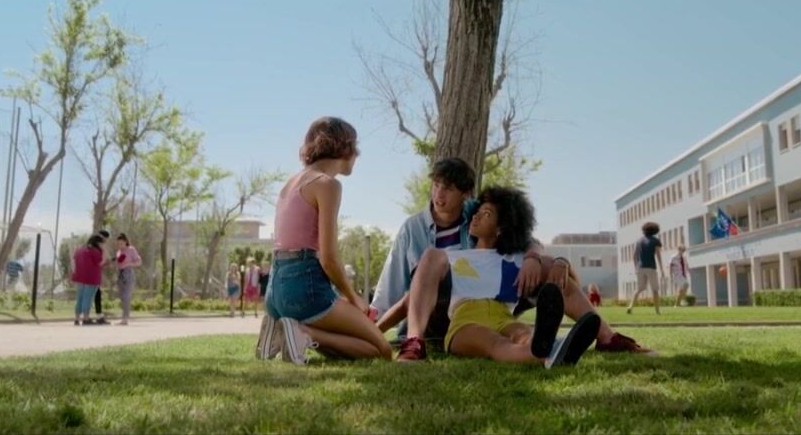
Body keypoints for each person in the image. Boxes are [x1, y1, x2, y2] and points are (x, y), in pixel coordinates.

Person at [373, 157, 652, 360]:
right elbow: (401, 290)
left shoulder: (477, 215)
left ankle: (599, 338)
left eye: (448, 188)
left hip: (498, 307)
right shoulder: (416, 231)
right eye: (436, 185)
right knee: (432, 261)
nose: (438, 194)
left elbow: (526, 240)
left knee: (535, 302)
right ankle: (414, 344)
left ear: (466, 195)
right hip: (448, 312)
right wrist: (373, 330)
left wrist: (547, 261)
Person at [257, 117, 392, 364]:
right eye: (356, 148)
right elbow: (328, 259)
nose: (357, 155)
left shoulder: (290, 183)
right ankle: (302, 332)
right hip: (304, 292)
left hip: (275, 294)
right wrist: (354, 299)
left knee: (348, 339)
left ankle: (287, 332)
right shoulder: (327, 185)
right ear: (345, 148)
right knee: (382, 350)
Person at [443, 186, 602, 367]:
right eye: (477, 212)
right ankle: (550, 350)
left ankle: (551, 349)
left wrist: (561, 262)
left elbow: (547, 261)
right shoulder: (453, 256)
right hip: (465, 321)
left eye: (486, 214)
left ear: (501, 227)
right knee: (495, 343)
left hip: (503, 316)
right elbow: (425, 281)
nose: (475, 217)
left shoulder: (514, 260)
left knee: (526, 336)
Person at [627, 222, 663, 315]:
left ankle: (631, 306)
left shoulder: (639, 241)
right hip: (651, 267)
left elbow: (634, 256)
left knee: (639, 288)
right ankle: (657, 310)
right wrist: (662, 269)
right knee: (655, 289)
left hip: (640, 268)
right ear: (655, 230)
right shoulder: (656, 241)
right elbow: (658, 255)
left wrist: (636, 268)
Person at [71, 234, 106, 326]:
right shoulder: (95, 251)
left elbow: (74, 260)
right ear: (97, 243)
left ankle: (77, 318)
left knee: (80, 298)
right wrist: (104, 252)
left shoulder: (80, 249)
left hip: (80, 277)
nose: (103, 245)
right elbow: (100, 262)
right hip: (91, 278)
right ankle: (86, 318)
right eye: (102, 243)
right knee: (88, 298)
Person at [114, 233, 142, 325]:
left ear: (126, 242)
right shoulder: (118, 252)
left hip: (128, 273)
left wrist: (129, 264)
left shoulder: (131, 249)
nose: (120, 245)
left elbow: (139, 262)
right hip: (120, 275)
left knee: (126, 296)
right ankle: (124, 317)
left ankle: (125, 318)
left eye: (121, 243)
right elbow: (118, 264)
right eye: (118, 243)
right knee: (122, 297)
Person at [91, 228, 112, 325]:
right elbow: (99, 262)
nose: (105, 241)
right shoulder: (97, 248)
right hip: (92, 275)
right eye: (105, 239)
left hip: (95, 274)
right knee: (95, 295)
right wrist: (106, 262)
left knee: (96, 294)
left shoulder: (94, 246)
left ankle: (98, 315)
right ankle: (96, 316)